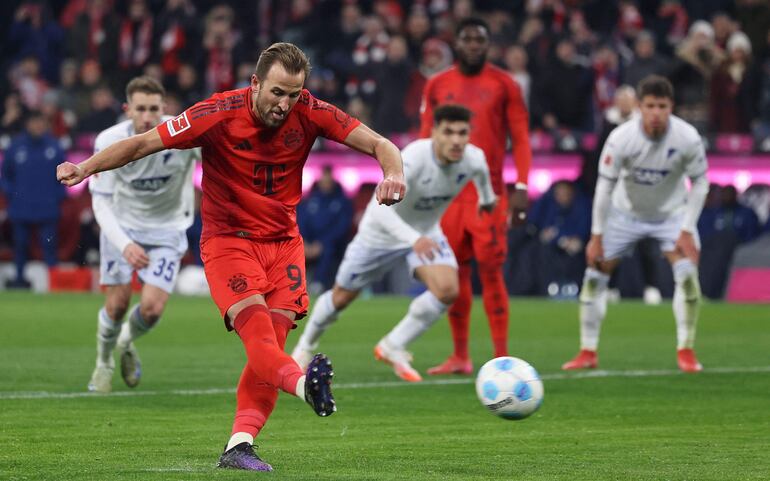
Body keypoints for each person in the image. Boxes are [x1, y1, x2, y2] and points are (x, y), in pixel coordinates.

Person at [57, 42, 406, 472]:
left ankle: (239, 446)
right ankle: (304, 388)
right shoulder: (215, 113)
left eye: (294, 94)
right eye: (277, 92)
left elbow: (380, 144)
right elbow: (142, 144)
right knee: (259, 339)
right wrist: (85, 167)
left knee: (270, 349)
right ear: (255, 83)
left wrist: (394, 174)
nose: (285, 104)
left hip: (284, 243)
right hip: (229, 242)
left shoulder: (312, 111)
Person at [292, 104, 496, 382]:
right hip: (380, 233)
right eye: (449, 132)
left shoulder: (473, 158)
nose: (457, 140)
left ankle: (393, 345)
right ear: (435, 132)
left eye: (463, 133)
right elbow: (379, 210)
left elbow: (483, 176)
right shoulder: (412, 159)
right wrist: (414, 240)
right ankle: (304, 347)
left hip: (425, 231)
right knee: (341, 297)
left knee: (448, 290)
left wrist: (486, 200)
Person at [562, 75, 709, 373]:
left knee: (689, 279)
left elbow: (702, 183)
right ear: (639, 107)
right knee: (593, 278)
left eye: (662, 106)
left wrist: (687, 230)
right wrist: (597, 235)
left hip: (671, 216)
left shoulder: (688, 138)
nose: (656, 112)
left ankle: (686, 349)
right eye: (650, 106)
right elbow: (603, 187)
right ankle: (588, 350)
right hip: (623, 215)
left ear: (672, 107)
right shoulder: (620, 138)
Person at [419, 17, 532, 375]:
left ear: (487, 44)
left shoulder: (505, 85)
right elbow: (425, 140)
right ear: (456, 43)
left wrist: (522, 186)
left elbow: (522, 138)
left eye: (479, 40)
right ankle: (461, 356)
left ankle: (501, 357)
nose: (473, 45)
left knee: (492, 272)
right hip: (447, 197)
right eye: (466, 39)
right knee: (456, 274)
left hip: (488, 197)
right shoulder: (437, 84)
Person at [85, 76, 199, 393]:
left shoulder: (184, 134)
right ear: (127, 110)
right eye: (141, 109)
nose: (148, 116)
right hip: (122, 226)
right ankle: (103, 363)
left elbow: (215, 161)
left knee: (151, 309)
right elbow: (101, 201)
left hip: (168, 229)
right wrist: (124, 244)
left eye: (154, 109)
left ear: (164, 109)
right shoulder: (108, 140)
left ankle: (125, 340)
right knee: (118, 305)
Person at [1, 111, 65, 289]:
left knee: (49, 247)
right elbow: (5, 176)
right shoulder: (16, 146)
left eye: (41, 122)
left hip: (48, 208)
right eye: (34, 122)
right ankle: (19, 281)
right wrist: (13, 196)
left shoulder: (54, 146)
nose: (37, 126)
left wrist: (57, 196)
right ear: (28, 124)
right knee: (20, 246)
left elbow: (65, 174)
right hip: (21, 208)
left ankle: (54, 282)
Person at [297, 165, 353, 295]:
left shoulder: (342, 202)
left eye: (329, 180)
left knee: (327, 250)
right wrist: (304, 242)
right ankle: (295, 285)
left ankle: (318, 283)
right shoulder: (309, 200)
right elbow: (301, 222)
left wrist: (322, 243)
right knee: (293, 249)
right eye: (324, 179)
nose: (326, 183)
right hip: (307, 242)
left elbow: (342, 227)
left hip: (331, 244)